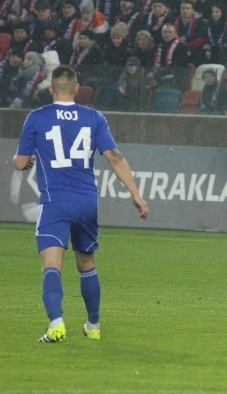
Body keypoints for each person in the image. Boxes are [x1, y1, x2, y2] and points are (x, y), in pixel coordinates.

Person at [13, 64, 149, 343]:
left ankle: (56, 322)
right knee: (86, 263)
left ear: (50, 89)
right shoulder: (93, 117)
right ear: (76, 89)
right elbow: (114, 156)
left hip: (55, 202)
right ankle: (94, 325)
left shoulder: (37, 117)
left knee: (51, 265)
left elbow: (21, 162)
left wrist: (26, 163)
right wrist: (136, 194)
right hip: (86, 201)